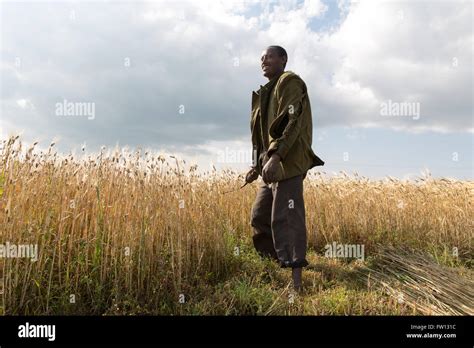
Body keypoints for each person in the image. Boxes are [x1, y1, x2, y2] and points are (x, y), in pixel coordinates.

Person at [246, 45, 324, 292]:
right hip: (270, 166)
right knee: (259, 216)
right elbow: (261, 135)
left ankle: (297, 284)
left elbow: (292, 120)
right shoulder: (264, 94)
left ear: (283, 59)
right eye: (261, 57)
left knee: (287, 219)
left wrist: (277, 155)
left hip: (286, 163)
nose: (263, 60)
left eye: (269, 56)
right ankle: (273, 268)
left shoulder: (289, 82)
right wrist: (256, 165)